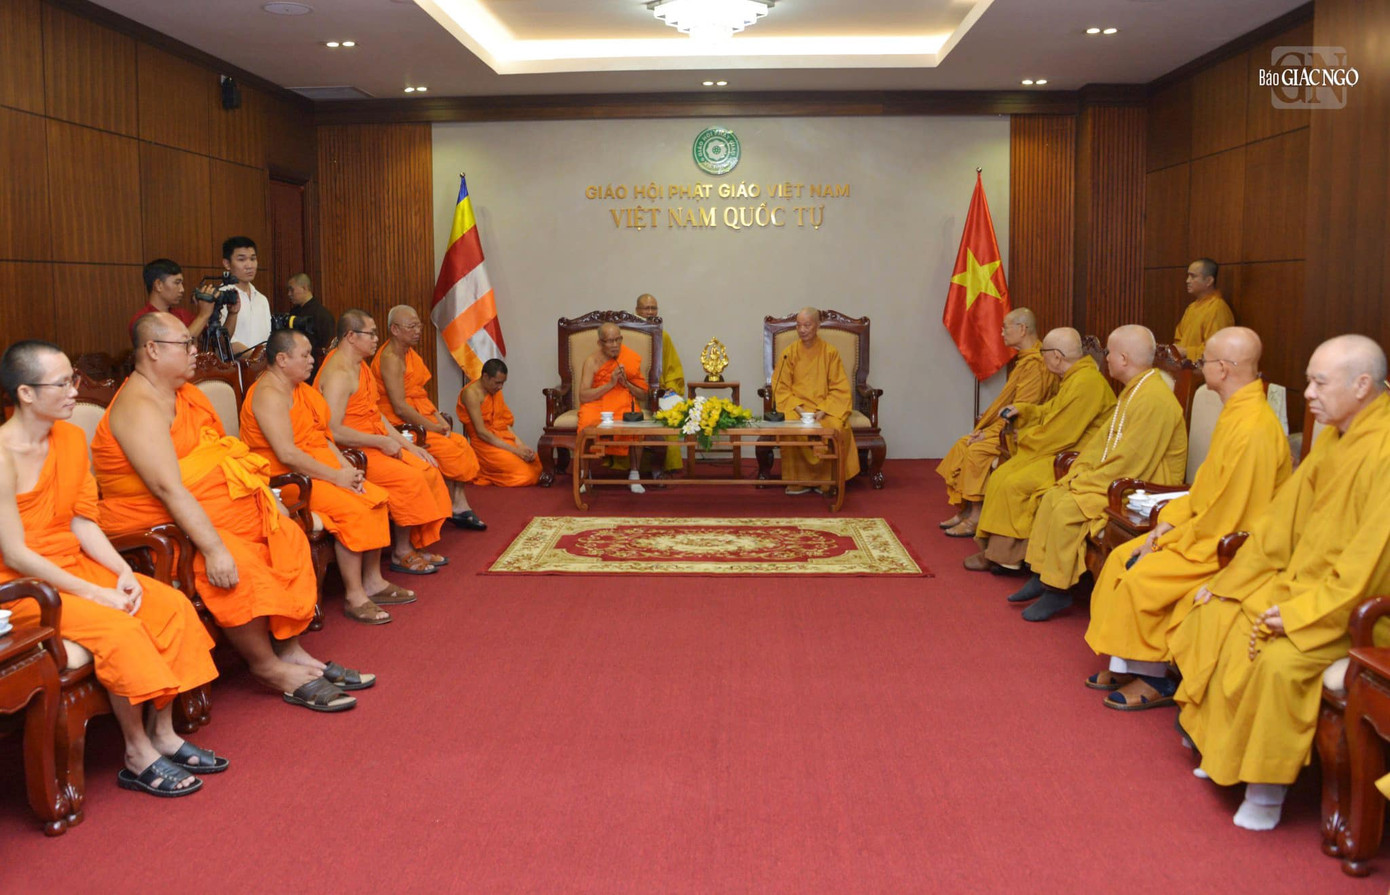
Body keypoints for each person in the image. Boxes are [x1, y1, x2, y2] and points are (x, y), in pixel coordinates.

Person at [92, 314, 368, 714]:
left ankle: (290, 649)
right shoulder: (137, 406)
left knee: (286, 535)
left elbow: (223, 451)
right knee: (236, 561)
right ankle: (267, 665)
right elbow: (168, 489)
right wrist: (214, 548)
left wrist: (264, 494)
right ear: (152, 350)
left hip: (213, 507)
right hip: (159, 523)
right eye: (185, 345)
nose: (195, 352)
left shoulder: (187, 394)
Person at [1169, 334, 1390, 831]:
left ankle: (1267, 790)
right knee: (1220, 612)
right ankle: (1221, 750)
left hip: (1356, 611)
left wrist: (1299, 613)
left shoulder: (1384, 452)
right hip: (1301, 583)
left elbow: (1369, 564)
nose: (1307, 393)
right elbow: (1278, 523)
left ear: (1361, 385)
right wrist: (1235, 579)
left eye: (1317, 382)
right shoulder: (1335, 436)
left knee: (1277, 659)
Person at [0, 340, 221, 797]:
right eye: (62, 383)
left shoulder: (68, 438)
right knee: (120, 626)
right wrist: (96, 594)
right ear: (25, 393)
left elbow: (81, 519)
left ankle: (163, 734)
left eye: (73, 380)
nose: (73, 392)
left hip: (73, 564)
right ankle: (137, 752)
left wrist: (121, 571)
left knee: (170, 606)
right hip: (23, 588)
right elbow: (17, 555)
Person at [1084, 327, 1291, 709]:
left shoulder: (1255, 429)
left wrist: (1170, 539)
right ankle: (1125, 660)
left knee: (1142, 574)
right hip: (1205, 529)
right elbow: (1206, 491)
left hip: (1228, 546)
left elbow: (1233, 515)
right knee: (1119, 558)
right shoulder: (1236, 414)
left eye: (1204, 361)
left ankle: (1154, 681)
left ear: (1224, 369)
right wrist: (1168, 522)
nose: (1198, 367)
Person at [1007, 325, 1188, 621]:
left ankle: (1057, 591)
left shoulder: (1153, 398)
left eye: (1109, 352)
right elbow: (1102, 443)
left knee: (1067, 507)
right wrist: (1079, 471)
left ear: (1125, 358)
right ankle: (1043, 574)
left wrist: (1088, 481)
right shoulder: (1134, 390)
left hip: (1143, 486)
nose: (1105, 358)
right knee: (1054, 494)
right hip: (1118, 475)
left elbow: (1134, 461)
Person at [241, 329, 411, 625]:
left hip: (318, 469)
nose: (312, 360)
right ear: (282, 359)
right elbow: (287, 455)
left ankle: (374, 581)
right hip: (289, 481)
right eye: (305, 355)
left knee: (375, 497)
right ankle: (354, 596)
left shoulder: (300, 390)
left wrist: (346, 468)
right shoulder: (268, 394)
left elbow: (323, 437)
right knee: (353, 508)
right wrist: (335, 477)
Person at [966, 328, 1115, 573]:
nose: (1042, 356)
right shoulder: (1074, 377)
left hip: (1074, 458)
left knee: (1015, 482)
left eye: (1044, 351)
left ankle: (1007, 557)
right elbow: (1052, 411)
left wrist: (1023, 435)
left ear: (1056, 356)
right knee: (1004, 474)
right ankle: (997, 551)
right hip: (1060, 448)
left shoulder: (1087, 382)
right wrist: (1024, 410)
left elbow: (1063, 432)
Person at [316, 310, 451, 574]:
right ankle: (401, 553)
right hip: (352, 451)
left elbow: (373, 413)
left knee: (427, 467)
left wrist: (407, 445)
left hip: (373, 441)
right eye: (372, 333)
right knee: (410, 479)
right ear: (351, 336)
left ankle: (414, 544)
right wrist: (379, 442)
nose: (378, 339)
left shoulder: (360, 365)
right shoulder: (339, 373)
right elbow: (332, 431)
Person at [936, 308, 1057, 538]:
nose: (1001, 333)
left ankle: (976, 517)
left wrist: (989, 432)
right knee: (964, 443)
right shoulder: (1024, 361)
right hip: (1010, 424)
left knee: (978, 450)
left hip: (1023, 430)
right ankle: (965, 510)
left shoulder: (1036, 365)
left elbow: (1021, 413)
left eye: (1005, 328)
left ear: (1022, 329)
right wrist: (987, 428)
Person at [372, 305, 486, 530]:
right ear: (394, 329)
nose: (417, 330)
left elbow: (419, 394)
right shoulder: (390, 358)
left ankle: (459, 503)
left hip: (420, 417)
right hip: (400, 425)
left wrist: (438, 418)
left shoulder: (409, 354)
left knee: (460, 442)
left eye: (419, 325)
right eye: (411, 326)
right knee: (450, 449)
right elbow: (400, 407)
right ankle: (455, 507)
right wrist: (432, 428)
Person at [770, 307, 861, 494]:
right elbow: (781, 387)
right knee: (791, 428)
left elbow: (839, 388)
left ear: (818, 326)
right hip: (797, 408)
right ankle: (798, 481)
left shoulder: (830, 353)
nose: (802, 330)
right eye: (798, 325)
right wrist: (798, 409)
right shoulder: (790, 352)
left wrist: (824, 410)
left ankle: (827, 482)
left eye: (807, 325)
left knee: (836, 427)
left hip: (824, 408)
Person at [576, 322, 654, 494]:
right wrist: (610, 384)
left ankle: (634, 476)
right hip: (597, 403)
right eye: (609, 341)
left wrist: (626, 384)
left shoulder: (630, 358)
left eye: (617, 340)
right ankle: (585, 475)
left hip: (623, 400)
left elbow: (643, 395)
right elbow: (584, 396)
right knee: (586, 422)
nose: (615, 345)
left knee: (635, 425)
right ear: (600, 343)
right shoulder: (592, 361)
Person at [611, 293, 684, 475]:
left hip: (655, 391)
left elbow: (671, 366)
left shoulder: (663, 336)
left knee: (669, 409)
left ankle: (660, 466)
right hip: (626, 388)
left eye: (654, 308)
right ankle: (628, 466)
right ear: (637, 311)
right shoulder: (624, 337)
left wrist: (671, 386)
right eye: (646, 308)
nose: (650, 312)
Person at [457, 358, 542, 487]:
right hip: (485, 444)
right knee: (526, 475)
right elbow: (481, 433)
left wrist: (521, 446)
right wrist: (515, 451)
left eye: (503, 383)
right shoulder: (471, 394)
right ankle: (484, 470)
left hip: (502, 439)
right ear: (485, 376)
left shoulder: (495, 392)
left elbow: (504, 424)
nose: (500, 387)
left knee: (536, 463)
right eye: (497, 383)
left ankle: (498, 468)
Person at [128, 259, 213, 341]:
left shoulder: (183, 315)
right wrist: (203, 315)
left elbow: (219, 342)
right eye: (177, 283)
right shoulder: (142, 320)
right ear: (158, 285)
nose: (182, 289)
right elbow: (178, 347)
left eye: (181, 283)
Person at [1173, 258, 1234, 360]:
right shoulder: (1192, 308)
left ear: (1209, 281)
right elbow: (1178, 339)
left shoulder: (1217, 308)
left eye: (1193, 276)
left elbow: (1217, 350)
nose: (1187, 281)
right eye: (1188, 276)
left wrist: (1186, 352)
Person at [222, 236, 272, 355]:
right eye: (241, 259)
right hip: (235, 369)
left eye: (253, 259)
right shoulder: (222, 296)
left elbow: (268, 338)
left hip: (262, 368)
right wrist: (256, 359)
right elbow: (226, 343)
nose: (249, 265)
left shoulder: (262, 299)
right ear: (227, 264)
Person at [285, 273, 335, 364]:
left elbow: (327, 348)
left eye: (292, 290)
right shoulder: (293, 313)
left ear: (304, 288)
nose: (289, 294)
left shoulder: (322, 315)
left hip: (314, 365)